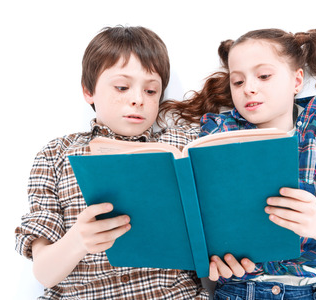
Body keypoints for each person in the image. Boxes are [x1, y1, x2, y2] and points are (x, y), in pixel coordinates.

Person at [160, 28, 316, 299]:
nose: (249, 88)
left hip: (312, 289)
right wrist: (211, 257)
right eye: (237, 82)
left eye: (263, 76)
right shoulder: (217, 134)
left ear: (297, 81)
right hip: (239, 288)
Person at [15, 25, 207, 300]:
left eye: (151, 91)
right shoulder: (56, 154)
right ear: (88, 91)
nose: (138, 99)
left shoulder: (184, 144)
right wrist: (78, 241)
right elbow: (44, 272)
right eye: (122, 87)